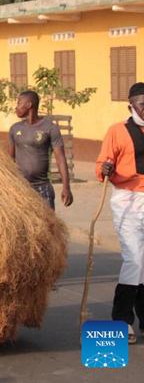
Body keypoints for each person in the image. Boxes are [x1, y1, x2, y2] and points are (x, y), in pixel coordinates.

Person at [97, 82, 144, 345]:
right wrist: (104, 169)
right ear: (131, 106)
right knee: (134, 259)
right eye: (142, 104)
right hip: (127, 199)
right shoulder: (118, 131)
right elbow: (103, 162)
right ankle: (122, 320)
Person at [8, 91, 73, 209]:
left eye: (19, 103)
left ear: (29, 105)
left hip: (43, 188)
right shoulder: (15, 129)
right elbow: (10, 160)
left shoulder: (50, 128)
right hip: (21, 188)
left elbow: (60, 159)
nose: (16, 107)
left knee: (48, 221)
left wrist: (66, 187)